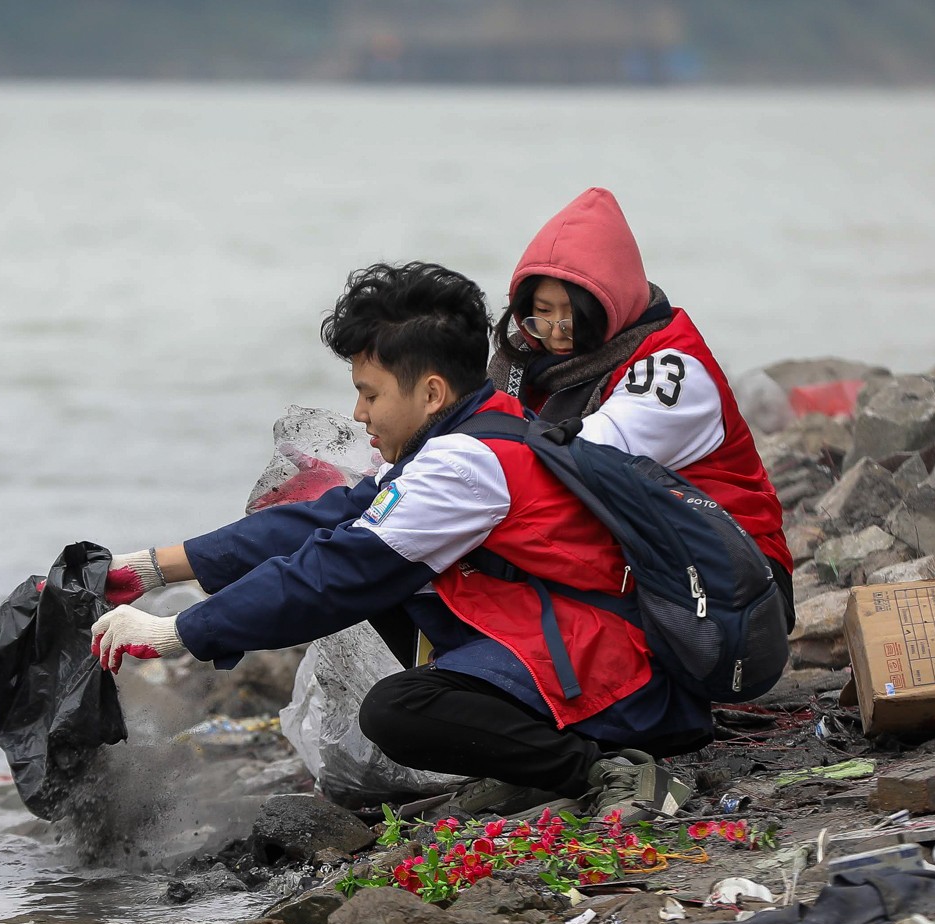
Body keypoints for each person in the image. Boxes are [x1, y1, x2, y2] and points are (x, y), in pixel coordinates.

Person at [85, 261, 708, 818]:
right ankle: (537, 754)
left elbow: (338, 570)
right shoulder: (472, 430)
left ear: (431, 391)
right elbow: (316, 522)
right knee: (377, 578)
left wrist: (179, 632)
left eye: (369, 394)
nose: (359, 415)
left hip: (620, 681)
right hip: (577, 647)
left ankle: (608, 772)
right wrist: (154, 568)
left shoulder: (464, 467)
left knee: (398, 710)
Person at [488, 187, 796, 605]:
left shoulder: (673, 368)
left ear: (609, 301)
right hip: (640, 552)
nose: (556, 330)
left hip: (735, 580)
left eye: (571, 313)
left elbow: (582, 457)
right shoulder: (523, 363)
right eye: (542, 310)